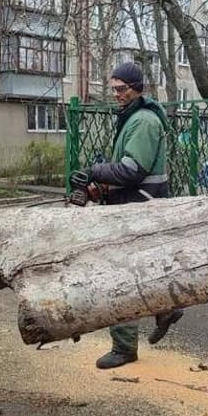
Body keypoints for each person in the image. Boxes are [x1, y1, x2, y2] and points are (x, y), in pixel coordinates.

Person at [74, 62, 183, 369]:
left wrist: (95, 171)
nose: (116, 94)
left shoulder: (144, 121)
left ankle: (124, 347)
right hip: (133, 205)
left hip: (140, 207)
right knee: (145, 272)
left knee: (120, 279)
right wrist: (103, 190)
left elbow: (133, 170)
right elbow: (126, 170)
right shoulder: (133, 118)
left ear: (137, 88)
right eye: (113, 89)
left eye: (121, 89)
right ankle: (166, 310)